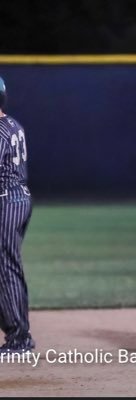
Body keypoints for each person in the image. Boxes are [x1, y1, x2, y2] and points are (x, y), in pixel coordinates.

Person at [0, 76, 35, 354]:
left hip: (6, 202)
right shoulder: (12, 124)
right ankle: (17, 331)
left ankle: (19, 337)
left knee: (7, 267)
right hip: (18, 199)